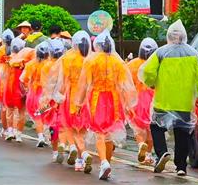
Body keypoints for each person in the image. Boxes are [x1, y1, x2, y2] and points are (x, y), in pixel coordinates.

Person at [140, 20, 198, 176]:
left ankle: (162, 153)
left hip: (163, 100)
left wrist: (152, 84)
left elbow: (147, 73)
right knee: (182, 133)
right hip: (184, 102)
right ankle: (181, 167)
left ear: (168, 36)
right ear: (184, 36)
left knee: (156, 126)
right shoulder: (194, 54)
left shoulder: (160, 53)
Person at [75, 30, 137, 180]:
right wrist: (129, 106)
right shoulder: (119, 62)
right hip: (115, 100)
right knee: (109, 134)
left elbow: (84, 84)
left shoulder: (91, 61)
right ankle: (106, 163)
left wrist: (78, 103)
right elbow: (125, 86)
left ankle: (104, 162)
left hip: (97, 99)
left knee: (100, 133)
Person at [46, 31, 93, 173]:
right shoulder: (92, 58)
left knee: (69, 126)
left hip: (71, 96)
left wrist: (57, 97)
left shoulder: (67, 58)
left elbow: (62, 81)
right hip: (87, 98)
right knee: (82, 130)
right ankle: (79, 160)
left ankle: (78, 151)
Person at [126, 38, 159, 165]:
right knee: (151, 129)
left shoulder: (132, 64)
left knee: (138, 129)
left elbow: (126, 83)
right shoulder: (156, 64)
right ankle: (149, 155)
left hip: (137, 101)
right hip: (153, 100)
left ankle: (140, 145)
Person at [20, 41, 52, 147]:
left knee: (38, 116)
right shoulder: (50, 64)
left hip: (33, 94)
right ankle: (50, 138)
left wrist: (25, 89)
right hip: (46, 93)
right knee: (47, 116)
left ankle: (41, 137)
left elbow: (23, 79)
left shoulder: (30, 64)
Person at [4, 38, 34, 142]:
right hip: (22, 86)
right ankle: (19, 134)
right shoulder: (27, 58)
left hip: (10, 86)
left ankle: (10, 130)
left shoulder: (9, 59)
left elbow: (3, 74)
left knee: (10, 109)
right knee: (21, 111)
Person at [0, 29, 14, 138]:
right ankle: (14, 129)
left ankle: (5, 129)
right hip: (13, 81)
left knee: (4, 106)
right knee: (14, 107)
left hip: (2, 82)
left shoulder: (0, 50)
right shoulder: (16, 50)